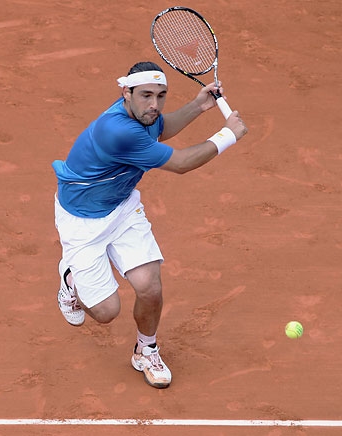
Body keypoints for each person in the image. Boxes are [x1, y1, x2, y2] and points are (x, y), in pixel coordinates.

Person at [52, 61, 248, 389]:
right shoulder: (117, 130)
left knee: (150, 287)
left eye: (161, 95)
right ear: (125, 93)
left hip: (122, 207)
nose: (154, 104)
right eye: (146, 95)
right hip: (82, 221)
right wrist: (228, 135)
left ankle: (146, 349)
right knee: (105, 312)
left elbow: (160, 127)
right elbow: (181, 163)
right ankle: (69, 276)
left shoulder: (142, 116)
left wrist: (199, 105)